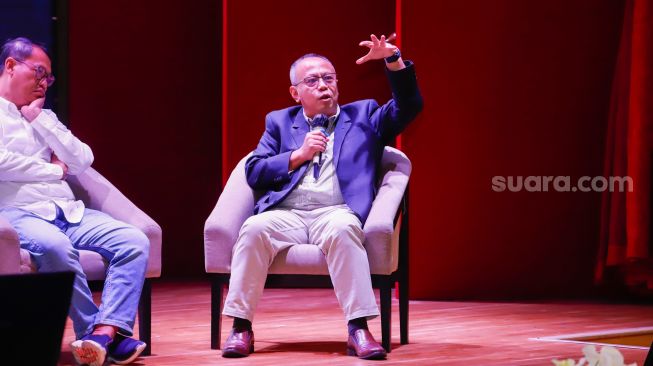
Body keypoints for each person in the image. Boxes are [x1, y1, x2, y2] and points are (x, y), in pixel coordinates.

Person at [221, 34, 423, 360]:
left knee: (345, 230)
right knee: (254, 229)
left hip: (336, 210)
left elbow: (409, 106)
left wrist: (393, 58)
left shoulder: (364, 116)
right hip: (288, 211)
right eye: (312, 80)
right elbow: (255, 171)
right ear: (295, 92)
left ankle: (359, 329)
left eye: (329, 78)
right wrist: (298, 155)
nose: (323, 85)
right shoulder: (279, 122)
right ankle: (241, 327)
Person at [0, 37, 149, 366]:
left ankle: (101, 336)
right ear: (10, 66)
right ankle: (94, 332)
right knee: (56, 248)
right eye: (38, 72)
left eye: (48, 78)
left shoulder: (44, 117)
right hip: (18, 213)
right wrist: (53, 172)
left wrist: (41, 120)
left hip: (68, 212)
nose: (44, 83)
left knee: (133, 240)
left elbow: (82, 160)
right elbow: (3, 163)